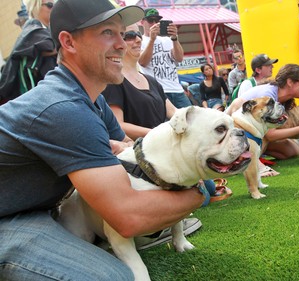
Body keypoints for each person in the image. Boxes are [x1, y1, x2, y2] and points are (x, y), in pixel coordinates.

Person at [0, 1, 207, 280]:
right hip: (10, 219)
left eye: (124, 34)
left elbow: (132, 158)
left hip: (34, 209)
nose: (122, 44)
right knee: (114, 277)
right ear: (68, 42)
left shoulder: (93, 100)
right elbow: (128, 217)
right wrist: (197, 192)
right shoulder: (64, 107)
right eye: (108, 32)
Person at [227, 64, 299, 160]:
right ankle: (252, 158)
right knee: (268, 136)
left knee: (293, 150)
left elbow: (274, 131)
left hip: (257, 134)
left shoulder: (283, 100)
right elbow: (270, 135)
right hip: (231, 135)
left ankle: (258, 152)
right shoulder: (268, 95)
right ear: (290, 82)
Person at [0, 0, 57, 104]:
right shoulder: (33, 29)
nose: (53, 8)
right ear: (37, 6)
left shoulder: (46, 30)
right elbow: (50, 47)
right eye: (50, 5)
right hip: (42, 99)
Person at [138, 8, 191, 108]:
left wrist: (175, 38)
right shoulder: (140, 40)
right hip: (157, 91)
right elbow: (142, 62)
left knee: (191, 120)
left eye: (157, 21)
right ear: (142, 22)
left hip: (177, 89)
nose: (154, 23)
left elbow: (179, 58)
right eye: (150, 20)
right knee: (165, 122)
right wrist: (152, 40)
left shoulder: (167, 40)